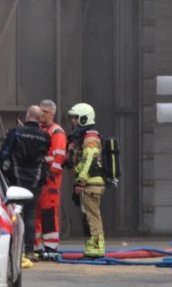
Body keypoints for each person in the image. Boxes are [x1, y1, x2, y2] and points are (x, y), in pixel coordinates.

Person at [0, 105, 51, 267]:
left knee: (15, 215)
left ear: (28, 115)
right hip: (35, 181)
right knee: (31, 215)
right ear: (40, 118)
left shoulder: (16, 132)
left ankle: (16, 250)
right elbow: (42, 157)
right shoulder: (45, 136)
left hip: (16, 180)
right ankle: (29, 250)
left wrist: (5, 175)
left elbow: (4, 155)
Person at [67, 102, 106, 259]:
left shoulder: (90, 138)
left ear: (84, 119)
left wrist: (81, 181)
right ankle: (92, 246)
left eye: (76, 118)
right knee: (88, 216)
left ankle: (97, 248)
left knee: (92, 216)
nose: (73, 121)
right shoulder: (85, 137)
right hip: (90, 183)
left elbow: (89, 159)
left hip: (91, 183)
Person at [33, 100, 67, 257]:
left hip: (50, 180)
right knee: (37, 214)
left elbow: (58, 157)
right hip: (41, 178)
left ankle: (51, 248)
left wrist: (50, 175)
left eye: (45, 112)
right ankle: (38, 248)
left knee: (48, 214)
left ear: (52, 114)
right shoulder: (41, 130)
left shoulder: (56, 132)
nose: (42, 114)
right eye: (41, 111)